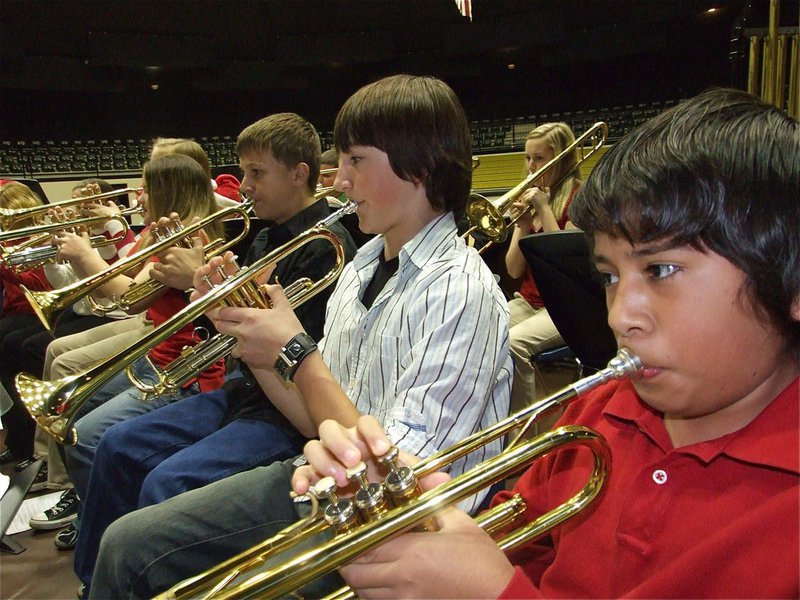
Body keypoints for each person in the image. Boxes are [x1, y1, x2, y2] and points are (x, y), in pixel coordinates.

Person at [290, 87, 800, 599]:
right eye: (609, 277)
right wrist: (417, 516)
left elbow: (499, 583)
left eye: (660, 270)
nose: (620, 317)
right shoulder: (600, 413)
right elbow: (512, 546)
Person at [89, 74, 512, 600]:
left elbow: (397, 487)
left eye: (356, 160)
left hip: (394, 531)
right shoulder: (361, 262)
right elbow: (317, 415)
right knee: (127, 542)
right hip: (330, 484)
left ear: (420, 164)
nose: (340, 182)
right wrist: (259, 347)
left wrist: (294, 351)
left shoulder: (461, 290)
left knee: (148, 558)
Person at [68, 112, 357, 583]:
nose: (244, 185)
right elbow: (226, 329)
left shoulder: (326, 243)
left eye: (256, 173)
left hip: (284, 413)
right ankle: (97, 584)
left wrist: (206, 292)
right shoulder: (262, 234)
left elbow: (292, 352)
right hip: (242, 392)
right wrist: (203, 290)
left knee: (167, 482)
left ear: (299, 174)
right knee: (117, 445)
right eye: (243, 172)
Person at [26, 154, 226, 544]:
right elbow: (133, 296)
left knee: (85, 435)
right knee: (70, 406)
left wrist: (86, 254)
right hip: (160, 355)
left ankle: (102, 530)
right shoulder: (166, 232)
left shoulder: (189, 239)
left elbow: (129, 299)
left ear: (169, 191)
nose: (140, 194)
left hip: (184, 368)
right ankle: (90, 507)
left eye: (147, 187)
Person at [505, 122, 582, 416]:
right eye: (527, 158)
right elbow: (513, 270)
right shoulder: (531, 202)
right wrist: (523, 225)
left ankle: (522, 436)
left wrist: (546, 209)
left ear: (560, 157)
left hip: (564, 308)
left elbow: (565, 265)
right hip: (529, 302)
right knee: (484, 327)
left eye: (539, 158)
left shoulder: (578, 199)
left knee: (513, 345)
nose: (530, 166)